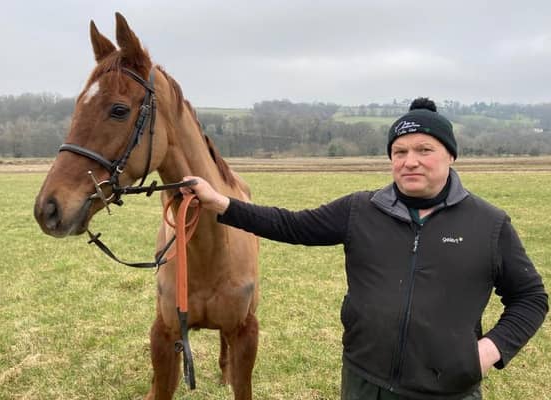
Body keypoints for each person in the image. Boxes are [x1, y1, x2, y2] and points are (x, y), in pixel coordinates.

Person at [180, 98, 548, 400]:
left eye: (425, 149)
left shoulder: (488, 224)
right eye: (399, 151)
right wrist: (220, 203)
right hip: (363, 382)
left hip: (447, 389)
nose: (410, 160)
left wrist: (488, 352)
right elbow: (291, 225)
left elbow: (530, 297)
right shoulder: (361, 210)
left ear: (450, 155)